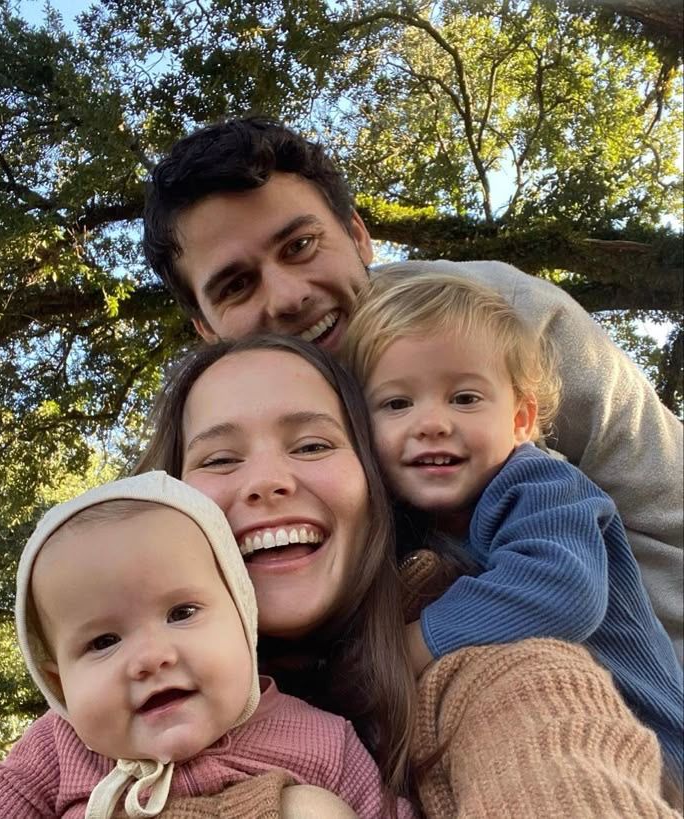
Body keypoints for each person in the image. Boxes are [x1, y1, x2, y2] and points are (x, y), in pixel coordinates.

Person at [142, 116, 683, 663]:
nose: (286, 296)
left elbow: (664, 507)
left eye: (301, 245)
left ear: (357, 235)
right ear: (207, 330)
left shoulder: (497, 319)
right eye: (236, 285)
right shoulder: (206, 436)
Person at [135, 333, 681, 816]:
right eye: (220, 460)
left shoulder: (488, 664)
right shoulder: (109, 691)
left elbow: (552, 758)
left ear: (379, 487)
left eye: (312, 445)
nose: (266, 481)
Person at [342, 268, 684, 779]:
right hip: (536, 743)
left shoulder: (542, 487)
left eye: (464, 398)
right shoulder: (406, 519)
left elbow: (561, 591)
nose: (432, 422)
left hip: (652, 753)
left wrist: (407, 647)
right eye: (397, 404)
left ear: (522, 419)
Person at [0, 471, 414, 818]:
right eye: (104, 641)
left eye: (181, 614)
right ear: (59, 685)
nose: (152, 658)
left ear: (243, 615)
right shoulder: (58, 747)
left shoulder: (323, 740)